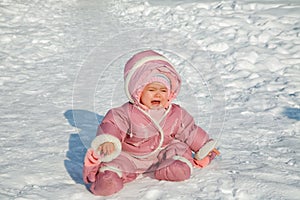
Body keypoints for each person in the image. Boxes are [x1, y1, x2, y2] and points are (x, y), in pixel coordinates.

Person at [82, 50, 219, 196]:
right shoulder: (126, 112)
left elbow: (190, 131)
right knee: (115, 162)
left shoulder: (176, 113)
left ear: (170, 93)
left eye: (163, 90)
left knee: (178, 148)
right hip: (131, 155)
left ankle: (174, 168)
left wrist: (205, 147)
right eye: (151, 90)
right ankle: (109, 179)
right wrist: (108, 141)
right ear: (138, 92)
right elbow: (112, 125)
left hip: (162, 152)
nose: (158, 94)